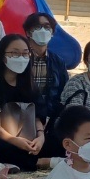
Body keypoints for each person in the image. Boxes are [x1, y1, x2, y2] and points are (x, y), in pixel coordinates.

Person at [0, 34, 44, 171]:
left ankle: (38, 161)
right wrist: (12, 139)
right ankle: (39, 162)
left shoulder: (29, 83)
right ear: (2, 55)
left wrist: (41, 137)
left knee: (51, 142)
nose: (21, 58)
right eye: (14, 53)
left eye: (25, 54)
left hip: (26, 136)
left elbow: (37, 115)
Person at [23, 11, 69, 154]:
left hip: (49, 117)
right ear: (28, 32)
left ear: (52, 32)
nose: (43, 30)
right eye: (37, 27)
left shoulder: (58, 62)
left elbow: (63, 93)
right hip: (21, 115)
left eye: (47, 27)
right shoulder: (19, 58)